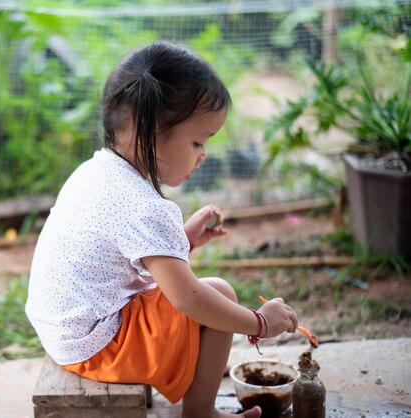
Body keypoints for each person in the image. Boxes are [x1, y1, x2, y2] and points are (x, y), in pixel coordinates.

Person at [25, 40, 298, 418]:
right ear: (149, 134)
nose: (203, 155)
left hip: (64, 328)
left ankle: (196, 360)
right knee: (217, 293)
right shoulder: (146, 207)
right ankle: (201, 413)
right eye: (197, 141)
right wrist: (260, 322)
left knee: (206, 306)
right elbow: (189, 299)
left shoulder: (96, 171)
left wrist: (183, 239)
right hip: (95, 345)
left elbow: (127, 255)